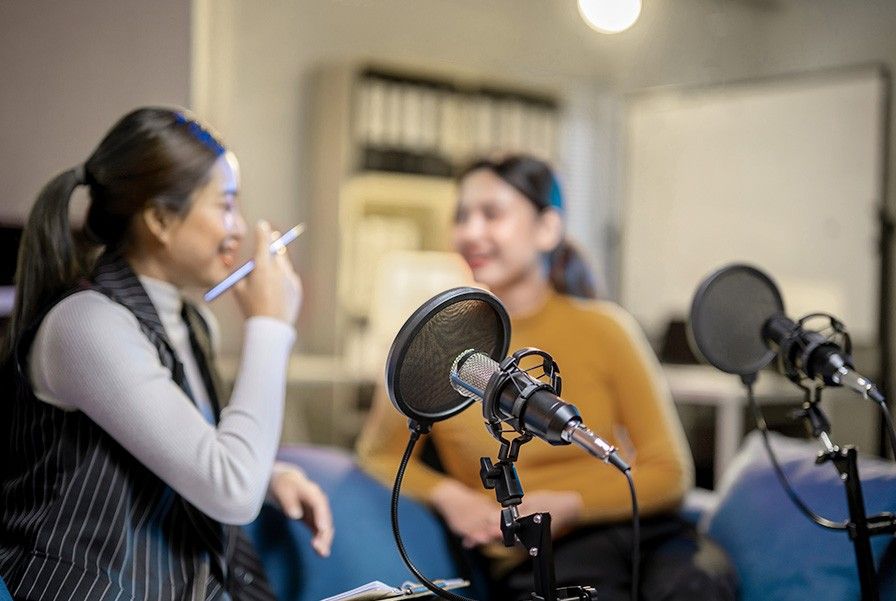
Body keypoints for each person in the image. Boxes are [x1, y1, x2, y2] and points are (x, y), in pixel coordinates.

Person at [356, 155, 735, 600]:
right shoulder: (435, 344)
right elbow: (377, 452)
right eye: (461, 216)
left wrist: (568, 503)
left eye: (492, 214)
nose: (470, 232)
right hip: (541, 558)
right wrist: (452, 499)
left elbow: (669, 472)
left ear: (546, 229)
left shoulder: (607, 329)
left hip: (646, 538)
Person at [0, 107, 333, 600]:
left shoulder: (191, 321)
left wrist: (268, 475)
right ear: (158, 218)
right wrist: (269, 327)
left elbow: (193, 452)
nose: (238, 228)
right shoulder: (86, 324)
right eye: (225, 206)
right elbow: (229, 489)